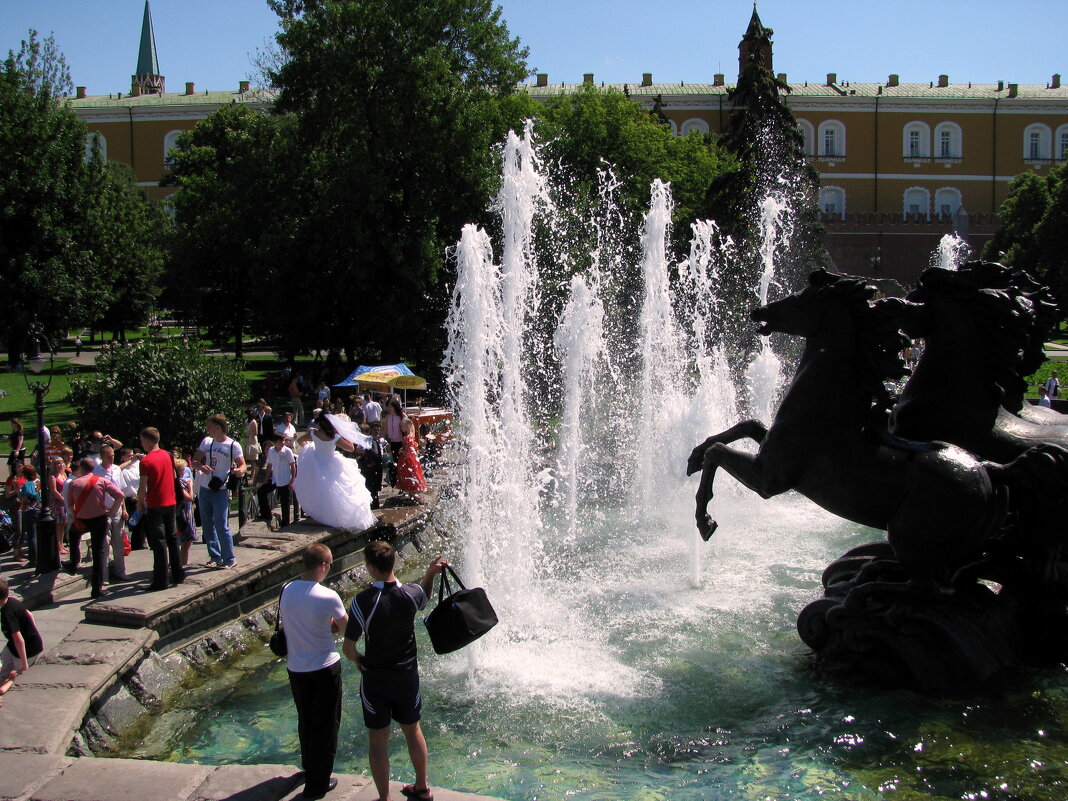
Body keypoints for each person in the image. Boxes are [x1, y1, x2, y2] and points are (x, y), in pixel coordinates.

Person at [343, 542, 446, 801]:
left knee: (378, 739)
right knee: (413, 730)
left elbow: (348, 646)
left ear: (370, 568)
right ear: (393, 564)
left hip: (376, 678)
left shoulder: (362, 601)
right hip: (406, 676)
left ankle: (384, 798)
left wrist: (359, 660)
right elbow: (426, 595)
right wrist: (430, 573)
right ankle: (422, 788)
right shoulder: (410, 594)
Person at [280, 544, 347, 800]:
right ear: (322, 566)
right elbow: (345, 627)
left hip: (296, 667)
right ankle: (319, 783)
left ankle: (309, 769)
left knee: (306, 719)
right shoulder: (328, 596)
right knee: (327, 724)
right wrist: (327, 626)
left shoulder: (286, 589)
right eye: (329, 565)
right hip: (324, 667)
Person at [292, 414, 376, 532]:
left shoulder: (314, 434)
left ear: (321, 424)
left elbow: (300, 440)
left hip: (316, 462)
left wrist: (309, 447)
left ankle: (322, 515)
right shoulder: (335, 437)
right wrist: (347, 437)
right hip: (331, 462)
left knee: (319, 490)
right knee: (337, 490)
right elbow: (351, 449)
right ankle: (336, 516)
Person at [64, 457, 127, 598]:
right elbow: (120, 495)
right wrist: (111, 512)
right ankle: (97, 588)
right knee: (99, 551)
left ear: (81, 468)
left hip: (82, 519)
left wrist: (75, 516)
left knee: (73, 535)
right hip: (99, 518)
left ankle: (74, 563)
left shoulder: (74, 483)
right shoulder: (101, 480)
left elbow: (69, 503)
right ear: (93, 468)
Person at [193, 414, 246, 570]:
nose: (207, 429)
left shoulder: (233, 445)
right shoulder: (207, 442)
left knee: (221, 525)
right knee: (207, 525)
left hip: (221, 489)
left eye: (209, 426)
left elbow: (243, 465)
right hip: (205, 487)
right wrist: (201, 466)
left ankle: (229, 558)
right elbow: (195, 461)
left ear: (218, 427)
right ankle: (215, 556)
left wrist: (238, 471)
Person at [137, 427, 184, 591]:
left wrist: (139, 501)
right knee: (172, 538)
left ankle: (161, 580)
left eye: (142, 441)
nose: (141, 444)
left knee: (158, 543)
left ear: (148, 441)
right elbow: (173, 476)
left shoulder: (146, 461)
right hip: (170, 501)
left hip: (155, 503)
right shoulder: (168, 455)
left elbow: (143, 486)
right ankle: (178, 574)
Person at [0, 578, 43, 703]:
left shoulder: (7, 613)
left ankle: (10, 680)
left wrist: (24, 664)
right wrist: (34, 633)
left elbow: (19, 639)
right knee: (2, 666)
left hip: (27, 650)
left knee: (16, 675)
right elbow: (30, 614)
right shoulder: (12, 601)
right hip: (13, 646)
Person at [93, 445, 128, 581]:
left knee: (119, 542)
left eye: (113, 455)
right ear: (102, 457)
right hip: (104, 510)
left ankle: (121, 571)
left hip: (118, 509)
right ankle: (104, 575)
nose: (112, 458)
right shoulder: (97, 471)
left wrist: (124, 509)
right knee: (105, 543)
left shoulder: (117, 469)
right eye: (109, 456)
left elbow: (121, 490)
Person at [259, 433, 296, 527]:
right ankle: (266, 514)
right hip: (275, 478)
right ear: (275, 442)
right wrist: (266, 478)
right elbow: (269, 465)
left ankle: (286, 522)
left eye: (283, 441)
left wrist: (292, 480)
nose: (283, 443)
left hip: (284, 478)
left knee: (285, 501)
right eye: (280, 441)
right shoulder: (271, 451)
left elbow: (292, 465)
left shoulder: (287, 451)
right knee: (261, 492)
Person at [356, 422, 389, 510]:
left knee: (372, 491)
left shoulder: (370, 441)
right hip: (368, 469)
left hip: (372, 470)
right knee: (369, 490)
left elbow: (375, 454)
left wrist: (368, 461)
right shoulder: (366, 441)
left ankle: (374, 509)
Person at [395, 418, 427, 500]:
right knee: (410, 473)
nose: (401, 428)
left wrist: (402, 451)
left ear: (407, 426)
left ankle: (410, 491)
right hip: (410, 458)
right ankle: (410, 492)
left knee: (408, 473)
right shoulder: (411, 434)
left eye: (402, 426)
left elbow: (409, 449)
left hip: (408, 459)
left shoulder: (408, 437)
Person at [243, 408, 262, 485]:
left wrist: (249, 434)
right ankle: (246, 472)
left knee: (253, 458)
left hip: (252, 441)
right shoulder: (246, 421)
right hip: (247, 441)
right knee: (247, 457)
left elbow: (256, 432)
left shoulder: (254, 422)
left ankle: (253, 473)